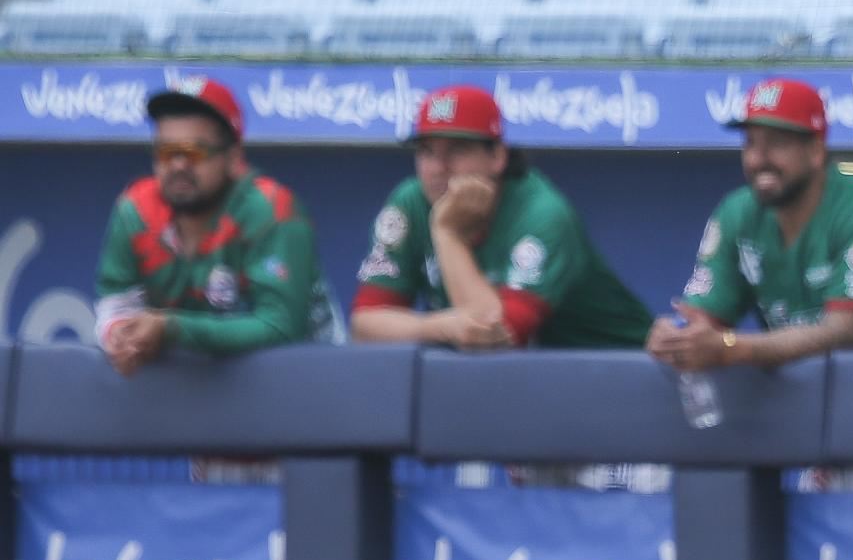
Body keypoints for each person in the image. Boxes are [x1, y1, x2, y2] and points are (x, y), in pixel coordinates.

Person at [646, 76, 853, 372]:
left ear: (816, 151)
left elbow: (845, 332)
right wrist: (680, 337)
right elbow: (702, 317)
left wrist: (731, 348)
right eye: (751, 144)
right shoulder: (738, 212)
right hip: (840, 392)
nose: (759, 159)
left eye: (777, 144)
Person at [351, 84, 653, 350]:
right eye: (427, 151)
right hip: (533, 378)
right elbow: (365, 325)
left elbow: (493, 337)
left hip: (616, 367)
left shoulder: (543, 212)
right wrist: (441, 326)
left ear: (497, 157)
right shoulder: (411, 200)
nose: (437, 167)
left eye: (457, 150)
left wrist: (448, 233)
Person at [94, 78, 339, 375]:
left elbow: (281, 328)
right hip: (188, 392)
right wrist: (122, 335)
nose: (178, 166)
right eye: (166, 152)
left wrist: (171, 327)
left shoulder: (273, 211)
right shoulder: (135, 212)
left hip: (304, 385)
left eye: (194, 152)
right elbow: (115, 309)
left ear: (233, 158)